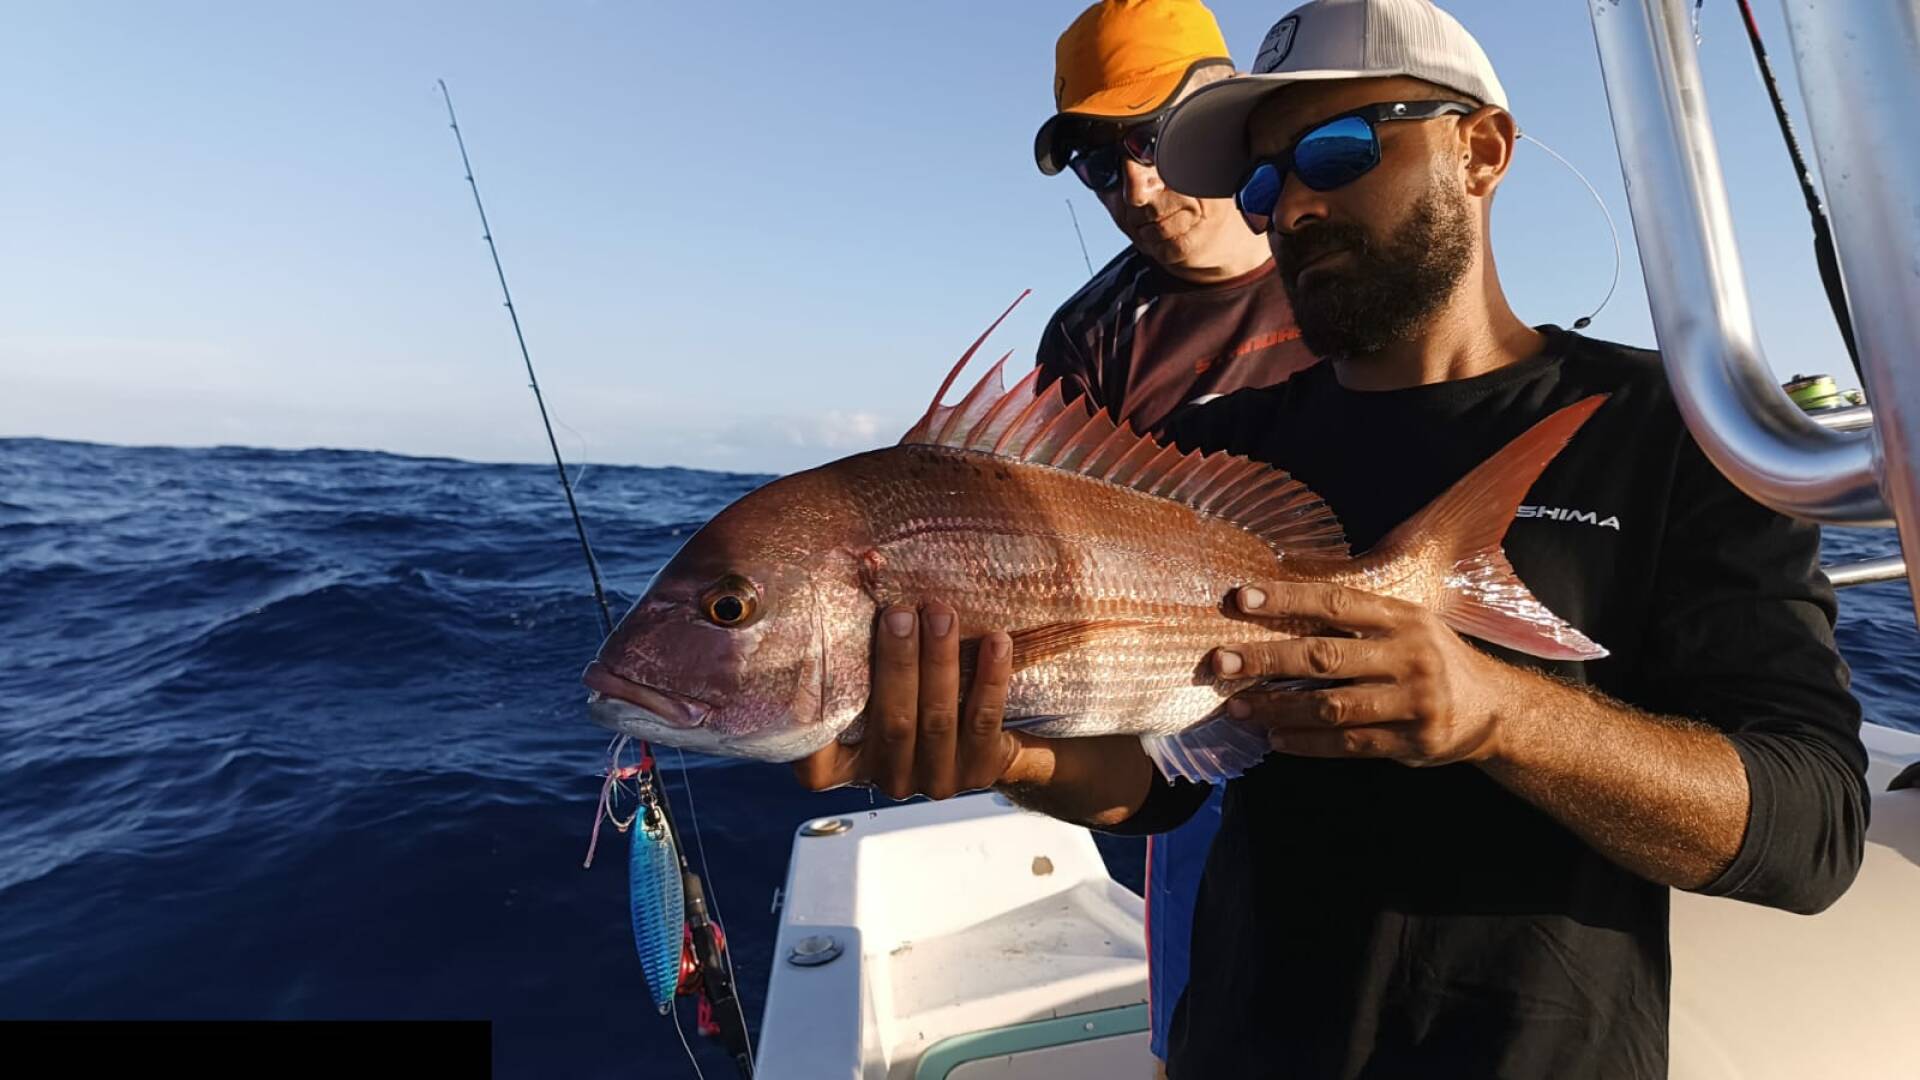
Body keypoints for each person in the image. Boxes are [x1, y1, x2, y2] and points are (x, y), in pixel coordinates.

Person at [795, 1, 1870, 1076]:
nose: (1291, 207)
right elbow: (1167, 782)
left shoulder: (1676, 433)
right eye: (1263, 183)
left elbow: (1811, 828)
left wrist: (1499, 714)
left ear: (1480, 151)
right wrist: (1016, 755)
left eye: (1336, 151)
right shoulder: (1223, 455)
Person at [1031, 1, 1318, 1070]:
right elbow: (1050, 559)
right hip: (1198, 705)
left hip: (1378, 677)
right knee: (1203, 1032)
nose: (1137, 189)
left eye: (1152, 141)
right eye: (1103, 167)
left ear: (1224, 110)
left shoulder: (1340, 243)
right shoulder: (1091, 335)